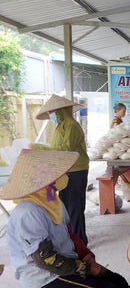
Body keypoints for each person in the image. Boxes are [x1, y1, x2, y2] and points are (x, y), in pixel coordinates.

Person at [2, 149, 129, 288]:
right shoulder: (28, 212)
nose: (65, 174)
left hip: (66, 266)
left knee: (118, 281)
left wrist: (84, 254)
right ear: (43, 179)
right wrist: (86, 267)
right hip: (44, 278)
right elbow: (45, 260)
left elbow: (68, 234)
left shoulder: (52, 201)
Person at [35, 94, 90, 244]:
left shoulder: (72, 125)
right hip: (65, 170)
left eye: (51, 112)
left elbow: (66, 149)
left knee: (75, 207)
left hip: (76, 170)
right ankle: (71, 238)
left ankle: (80, 241)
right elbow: (57, 149)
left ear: (61, 111)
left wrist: (42, 149)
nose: (50, 115)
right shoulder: (60, 126)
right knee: (65, 206)